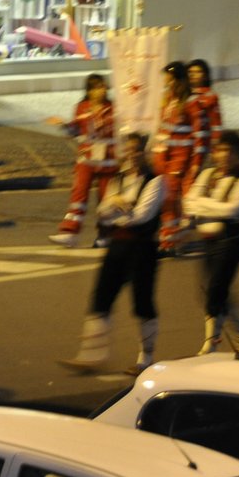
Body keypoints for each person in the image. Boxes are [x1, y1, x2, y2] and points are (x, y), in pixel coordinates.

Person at [59, 133, 165, 374]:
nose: (132, 155)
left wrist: (117, 207)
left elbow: (142, 216)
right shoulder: (118, 179)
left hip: (143, 248)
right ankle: (90, 356)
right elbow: (102, 211)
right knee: (100, 298)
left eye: (137, 150)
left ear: (145, 153)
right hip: (117, 246)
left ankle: (145, 357)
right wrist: (119, 205)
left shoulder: (156, 182)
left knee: (142, 303)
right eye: (128, 150)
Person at [184, 131, 239, 355]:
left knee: (215, 290)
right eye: (221, 150)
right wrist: (213, 207)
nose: (225, 156)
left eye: (231, 151)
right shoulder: (207, 175)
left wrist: (203, 205)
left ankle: (211, 344)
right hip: (208, 241)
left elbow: (232, 209)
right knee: (212, 290)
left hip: (230, 241)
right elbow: (188, 203)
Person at [49, 73, 117, 247]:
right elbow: (76, 131)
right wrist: (63, 125)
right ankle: (70, 233)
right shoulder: (81, 107)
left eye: (104, 86)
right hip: (86, 160)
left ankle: (105, 235)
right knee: (78, 195)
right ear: (90, 90)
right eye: (99, 87)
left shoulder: (114, 108)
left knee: (106, 201)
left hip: (108, 161)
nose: (103, 90)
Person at [152, 61, 195, 252]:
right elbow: (163, 129)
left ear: (178, 80)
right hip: (163, 157)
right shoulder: (168, 99)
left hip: (178, 158)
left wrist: (193, 163)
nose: (166, 83)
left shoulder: (191, 102)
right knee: (165, 199)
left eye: (169, 79)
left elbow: (198, 134)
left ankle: (169, 241)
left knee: (171, 198)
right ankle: (170, 237)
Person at [185, 59, 222, 187]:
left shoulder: (209, 97)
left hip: (201, 146)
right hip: (184, 145)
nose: (193, 75)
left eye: (198, 72)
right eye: (190, 72)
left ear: (205, 75)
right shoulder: (183, 95)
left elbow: (216, 124)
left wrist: (215, 148)